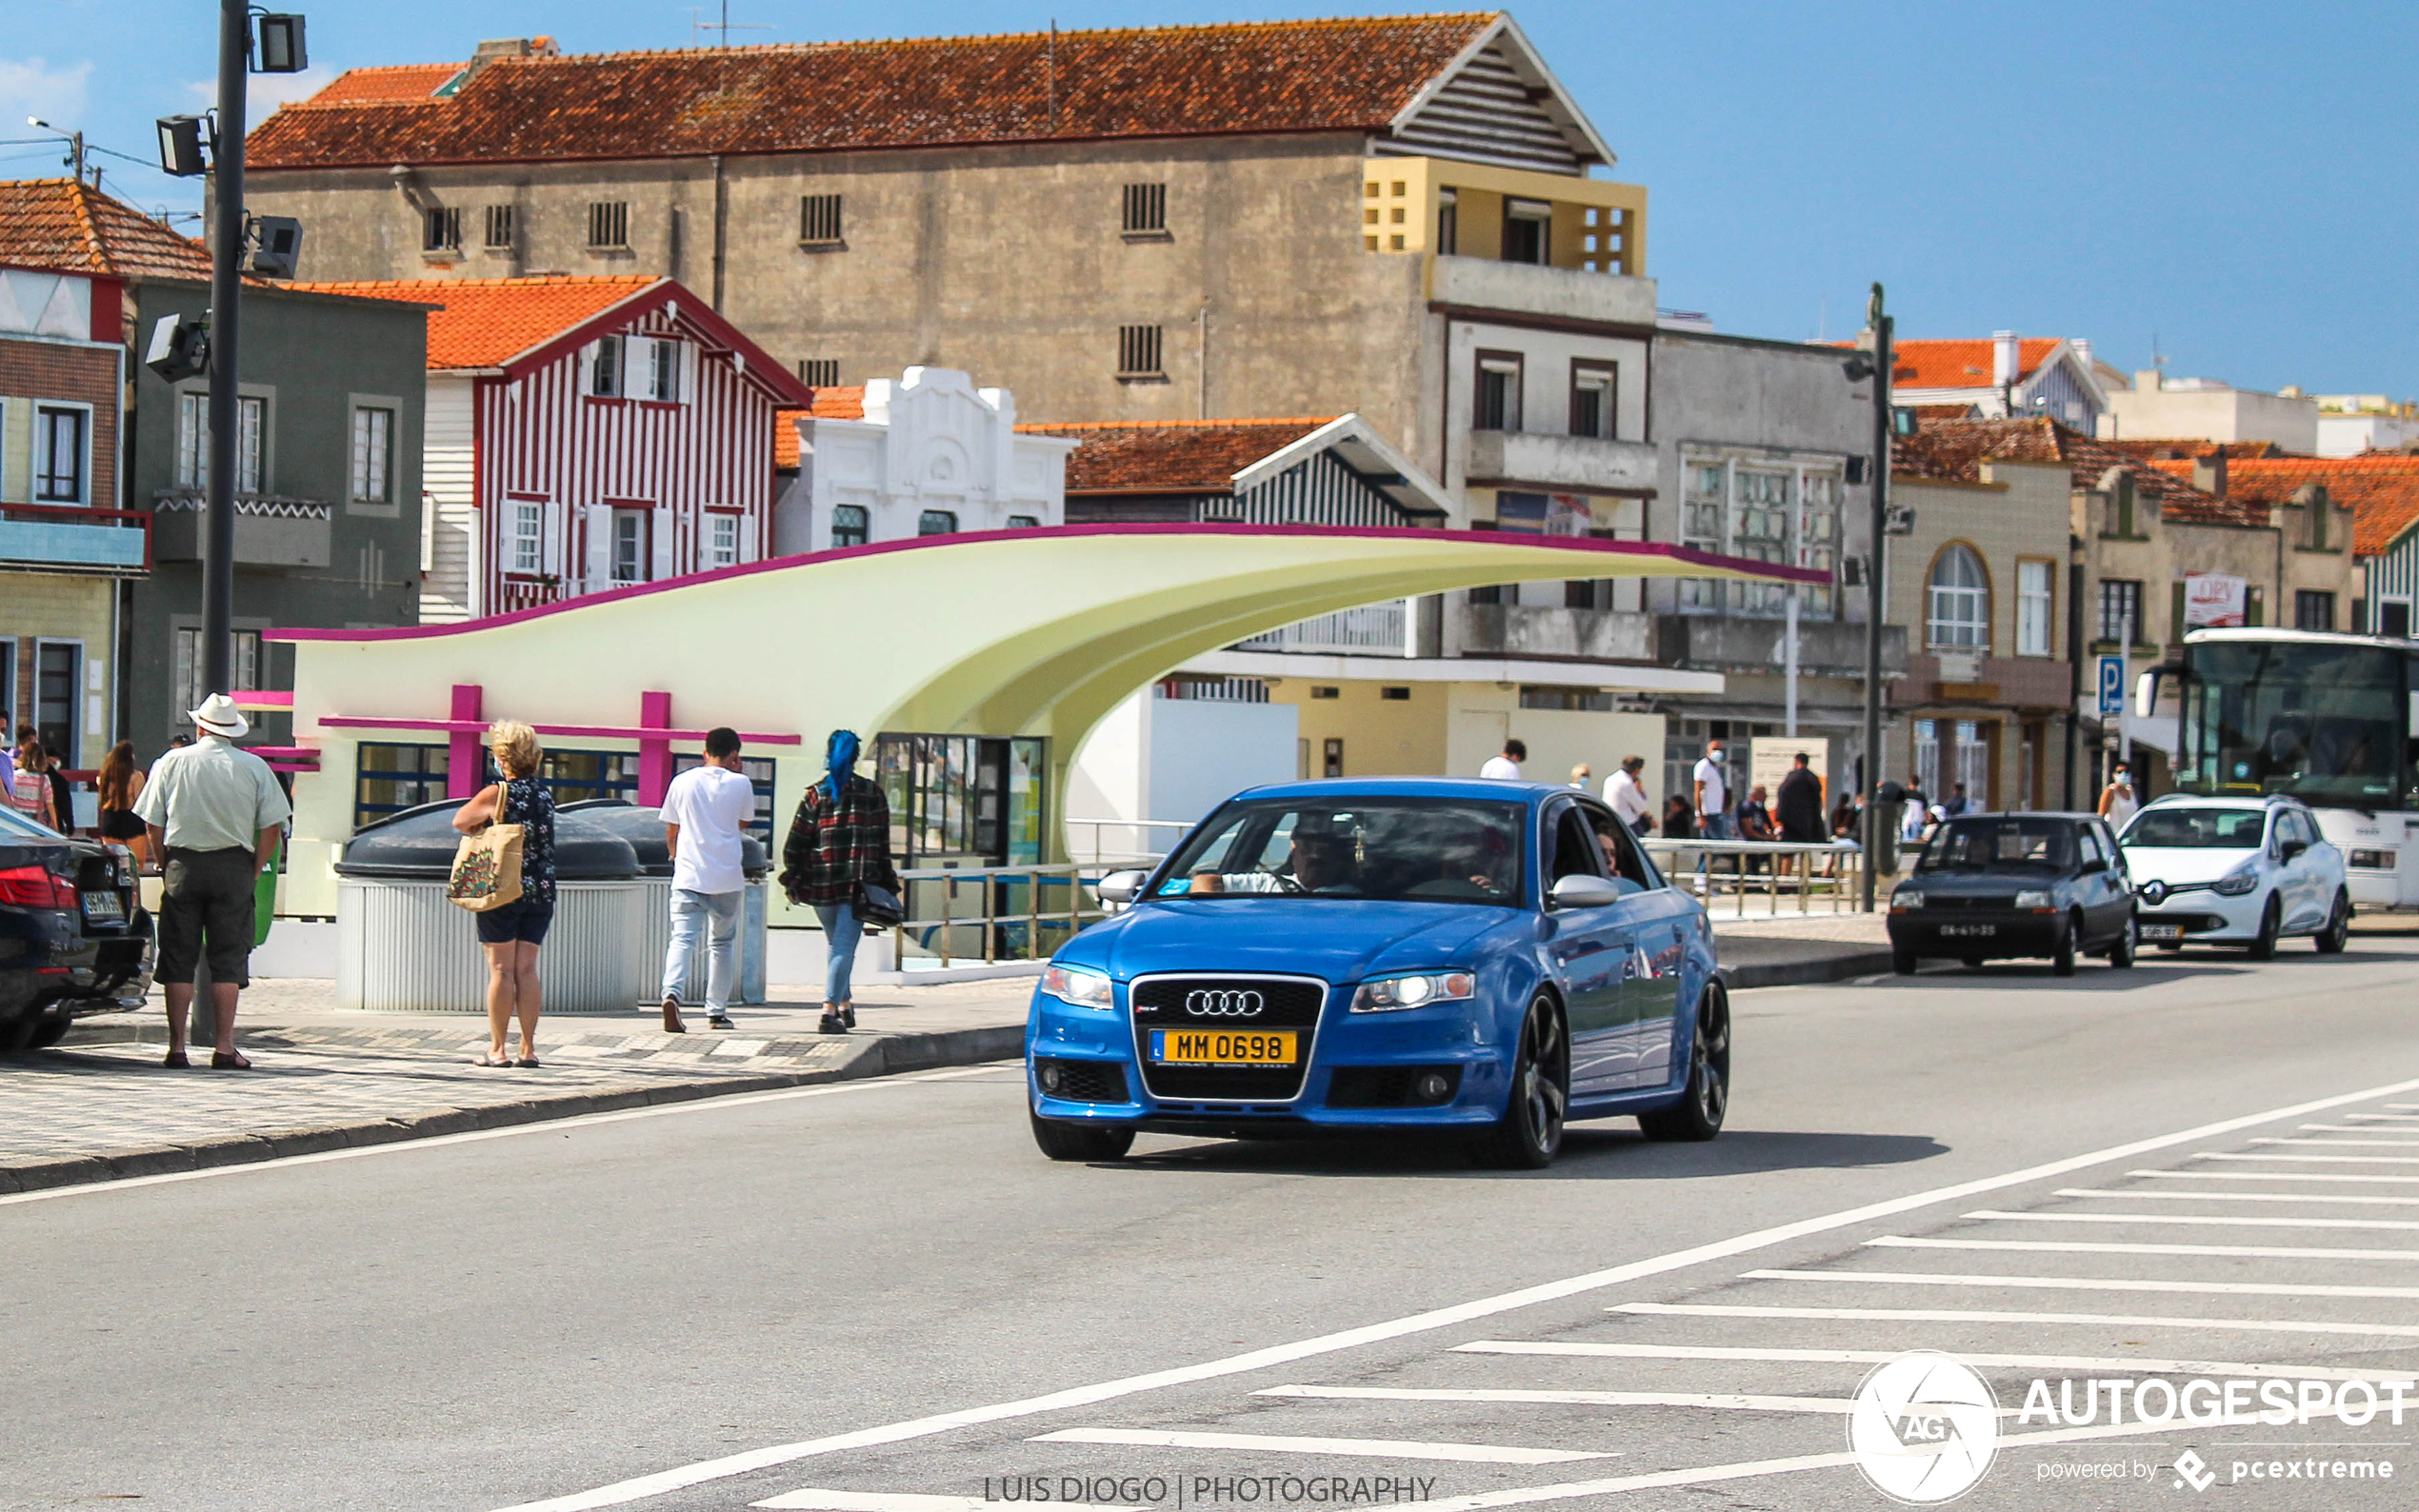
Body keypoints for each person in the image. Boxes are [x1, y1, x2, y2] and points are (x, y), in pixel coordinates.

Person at [135, 693, 290, 1070]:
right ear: (233, 731)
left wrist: (164, 860)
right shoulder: (253, 767)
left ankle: (176, 1048)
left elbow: (152, 821)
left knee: (178, 958)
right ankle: (224, 1047)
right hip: (234, 866)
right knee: (227, 960)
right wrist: (253, 867)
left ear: (200, 726)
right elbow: (273, 826)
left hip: (183, 864)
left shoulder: (171, 761)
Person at [779, 729, 901, 1035]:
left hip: (821, 887)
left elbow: (795, 844)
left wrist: (794, 879)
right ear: (856, 757)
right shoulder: (873, 794)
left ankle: (844, 1004)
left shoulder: (815, 795)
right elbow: (882, 847)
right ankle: (828, 1010)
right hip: (858, 887)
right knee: (843, 947)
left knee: (837, 946)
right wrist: (888, 883)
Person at [451, 720, 556, 1068]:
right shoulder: (544, 794)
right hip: (540, 889)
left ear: (503, 756)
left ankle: (498, 1049)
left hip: (502, 888)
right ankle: (528, 1048)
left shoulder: (497, 793)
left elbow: (461, 821)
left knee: (501, 970)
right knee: (527, 970)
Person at [657, 726, 754, 1034]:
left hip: (688, 875)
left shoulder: (681, 782)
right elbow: (742, 821)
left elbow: (671, 829)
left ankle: (671, 993)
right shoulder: (741, 783)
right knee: (722, 944)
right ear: (735, 755)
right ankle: (716, 1012)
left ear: (705, 752)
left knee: (682, 939)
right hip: (726, 878)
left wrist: (674, 854)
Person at [95, 741, 150, 867]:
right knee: (136, 864)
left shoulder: (103, 777)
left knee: (114, 864)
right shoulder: (136, 776)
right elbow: (140, 801)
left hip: (110, 819)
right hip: (132, 819)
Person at [1777, 753, 1827, 844]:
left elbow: (1783, 792)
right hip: (1809, 821)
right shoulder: (1813, 777)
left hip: (1791, 822)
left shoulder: (1792, 777)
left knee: (1788, 852)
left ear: (1796, 761)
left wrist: (1781, 816)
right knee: (1807, 849)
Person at [10, 736, 55, 827]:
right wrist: (55, 825)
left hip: (16, 819)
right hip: (36, 822)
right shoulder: (44, 779)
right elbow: (50, 804)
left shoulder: (14, 775)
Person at [1692, 737, 1730, 839]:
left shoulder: (1715, 767)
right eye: (1715, 749)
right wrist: (1700, 816)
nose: (1718, 752)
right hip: (1708, 813)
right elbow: (1698, 792)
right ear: (1708, 751)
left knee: (1717, 846)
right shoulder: (1703, 766)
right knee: (1712, 846)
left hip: (1717, 811)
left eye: (1720, 750)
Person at [1606, 755, 1651, 836]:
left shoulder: (1610, 779)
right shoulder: (1626, 782)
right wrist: (1641, 792)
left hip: (1610, 819)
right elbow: (1640, 807)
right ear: (1637, 770)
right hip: (1626, 822)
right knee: (1640, 843)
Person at [2098, 761, 2140, 832]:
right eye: (2119, 772)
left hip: (2130, 836)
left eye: (2126, 772)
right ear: (2114, 775)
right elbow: (2101, 815)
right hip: (2115, 834)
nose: (2123, 775)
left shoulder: (2131, 791)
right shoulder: (2110, 791)